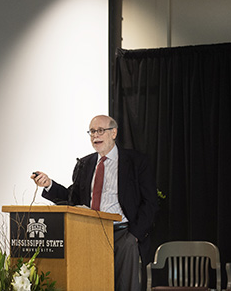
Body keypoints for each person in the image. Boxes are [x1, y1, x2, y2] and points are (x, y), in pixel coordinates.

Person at [31, 115, 158, 291]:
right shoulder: (85, 163)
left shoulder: (136, 162)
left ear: (113, 133)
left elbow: (150, 202)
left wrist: (134, 235)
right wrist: (49, 185)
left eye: (100, 131)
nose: (95, 136)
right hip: (89, 233)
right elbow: (72, 198)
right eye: (91, 132)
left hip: (123, 233)